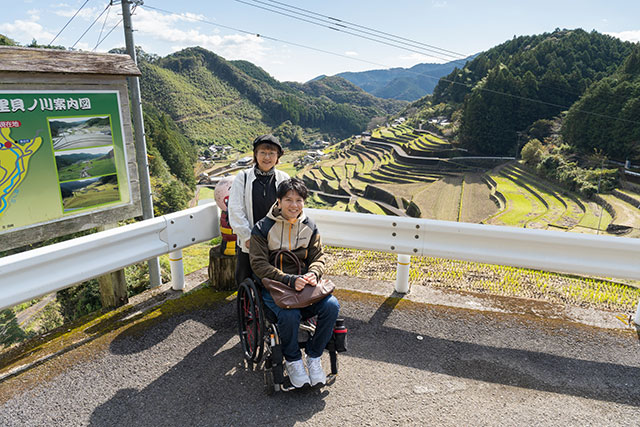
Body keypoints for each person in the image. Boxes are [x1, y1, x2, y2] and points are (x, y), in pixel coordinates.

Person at [250, 178, 340, 388]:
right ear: (278, 202)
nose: (294, 205)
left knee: (332, 306)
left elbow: (319, 256)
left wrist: (313, 274)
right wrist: (289, 280)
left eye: (299, 200)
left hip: (305, 287)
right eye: (288, 200)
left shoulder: (309, 226)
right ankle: (293, 360)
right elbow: (258, 264)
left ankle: (314, 356)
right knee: (289, 314)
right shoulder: (262, 228)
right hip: (276, 288)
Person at [228, 134, 289, 285]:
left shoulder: (283, 178)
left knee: (273, 279)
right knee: (246, 278)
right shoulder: (243, 177)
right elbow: (235, 209)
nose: (267, 157)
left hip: (276, 240)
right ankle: (245, 306)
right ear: (255, 154)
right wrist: (247, 237)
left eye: (271, 153)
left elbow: (290, 208)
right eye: (262, 152)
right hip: (250, 240)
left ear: (277, 156)